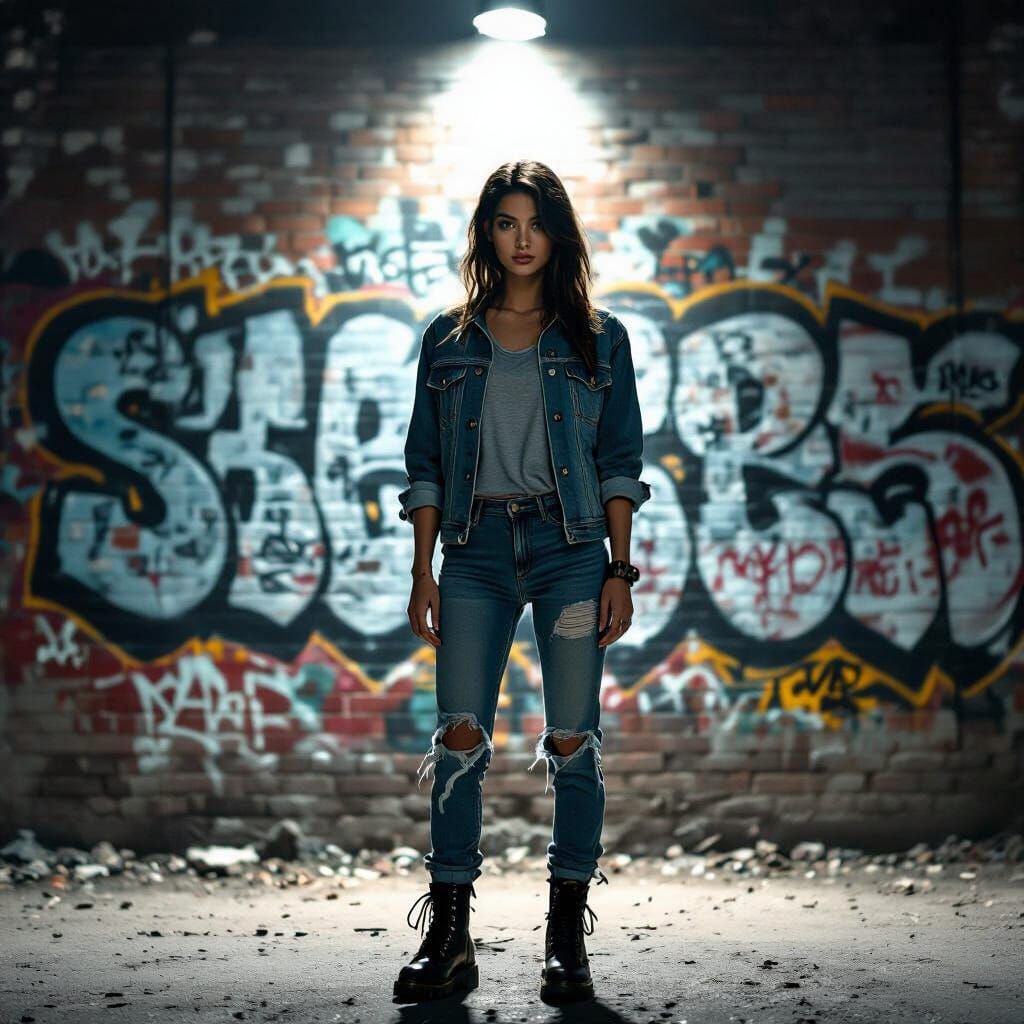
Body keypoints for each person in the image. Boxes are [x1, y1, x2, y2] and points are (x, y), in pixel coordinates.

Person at [392, 159, 651, 1005]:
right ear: (487, 236)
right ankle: (453, 938)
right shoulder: (449, 338)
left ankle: (565, 939)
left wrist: (618, 568)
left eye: (535, 222)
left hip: (571, 548)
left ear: (559, 233)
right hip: (472, 553)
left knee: (573, 743)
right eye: (505, 223)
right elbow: (425, 464)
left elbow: (619, 463)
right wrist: (423, 569)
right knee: (459, 739)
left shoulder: (597, 338)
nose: (522, 238)